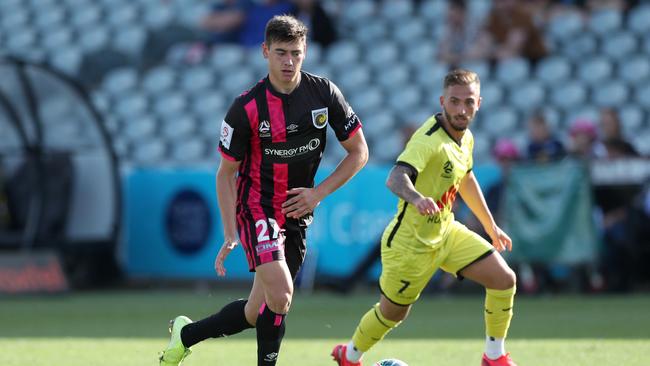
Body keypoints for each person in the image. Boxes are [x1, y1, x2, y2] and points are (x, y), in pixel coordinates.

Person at [159, 15, 368, 366]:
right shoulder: (246, 108)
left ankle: (185, 335)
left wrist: (318, 194)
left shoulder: (323, 93)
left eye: (296, 54)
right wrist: (230, 232)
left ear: (305, 53)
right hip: (257, 208)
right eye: (281, 52)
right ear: (265, 51)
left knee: (257, 312)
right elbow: (225, 174)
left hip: (298, 211)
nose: (289, 61)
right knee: (283, 295)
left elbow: (359, 151)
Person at [331, 69, 518, 366]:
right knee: (393, 313)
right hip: (409, 245)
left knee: (503, 279)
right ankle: (350, 355)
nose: (461, 109)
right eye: (454, 101)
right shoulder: (428, 139)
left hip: (446, 232)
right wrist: (417, 198)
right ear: (442, 100)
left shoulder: (466, 137)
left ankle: (493, 356)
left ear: (478, 103)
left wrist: (490, 226)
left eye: (468, 102)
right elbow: (395, 178)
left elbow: (466, 178)